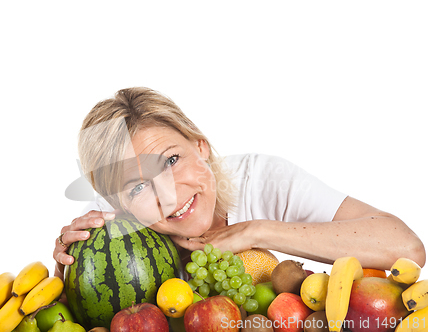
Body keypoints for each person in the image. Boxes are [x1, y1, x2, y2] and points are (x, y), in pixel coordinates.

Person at [53, 87, 425, 279]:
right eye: (137, 187)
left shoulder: (263, 178)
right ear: (117, 204)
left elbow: (406, 247)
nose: (168, 196)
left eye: (171, 160)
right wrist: (66, 274)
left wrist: (257, 232)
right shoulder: (108, 229)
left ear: (201, 146)